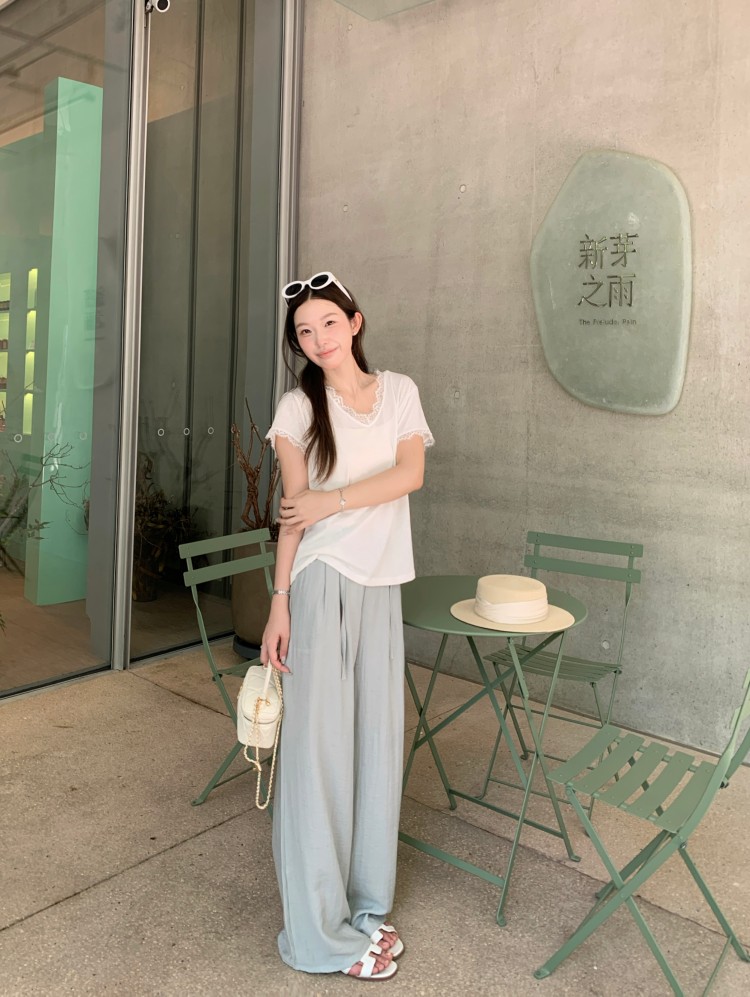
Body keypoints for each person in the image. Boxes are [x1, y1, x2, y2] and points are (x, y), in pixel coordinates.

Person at [261, 271, 433, 981]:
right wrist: (279, 601)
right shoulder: (298, 408)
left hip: (381, 584)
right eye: (304, 331)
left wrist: (332, 502)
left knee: (375, 747)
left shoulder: (399, 392)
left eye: (328, 323)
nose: (318, 338)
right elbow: (293, 513)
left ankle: (363, 907)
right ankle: (317, 936)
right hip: (322, 583)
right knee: (318, 757)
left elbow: (410, 475)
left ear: (354, 322)